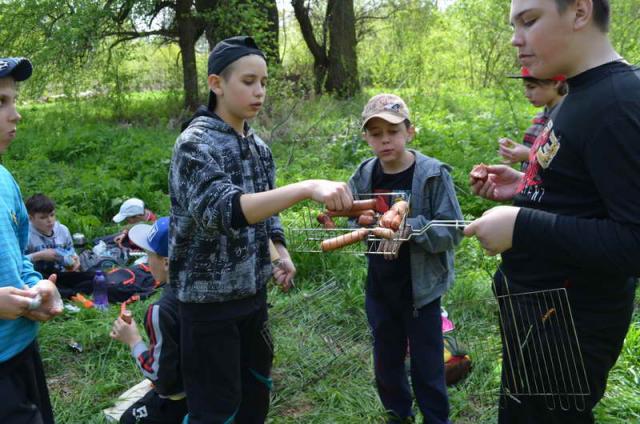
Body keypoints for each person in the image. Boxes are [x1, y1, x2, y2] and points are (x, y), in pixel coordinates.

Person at [464, 0, 640, 422]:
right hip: (539, 315)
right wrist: (524, 186)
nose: (515, 38)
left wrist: (522, 225)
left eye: (529, 20)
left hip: (568, 330)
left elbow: (634, 241)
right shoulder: (581, 91)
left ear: (580, 11)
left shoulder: (619, 101)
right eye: (514, 24)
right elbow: (583, 194)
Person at [169, 35, 353, 423]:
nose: (259, 91)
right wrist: (306, 188)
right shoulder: (194, 145)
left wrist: (279, 252)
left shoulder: (259, 147)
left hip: (253, 298)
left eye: (265, 82)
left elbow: (266, 214)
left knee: (255, 394)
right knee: (216, 408)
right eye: (248, 81)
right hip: (207, 307)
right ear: (217, 83)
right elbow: (225, 210)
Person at [348, 94, 463, 424]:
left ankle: (436, 419)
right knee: (386, 362)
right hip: (380, 288)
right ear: (366, 138)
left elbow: (453, 231)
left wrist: (409, 229)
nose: (385, 140)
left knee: (428, 366)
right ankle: (399, 415)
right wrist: (357, 221)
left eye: (393, 131)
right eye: (375, 133)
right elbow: (349, 217)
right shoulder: (364, 174)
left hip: (421, 292)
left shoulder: (431, 174)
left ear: (410, 132)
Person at [0, 56, 63, 424]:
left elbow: (19, 255)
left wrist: (37, 286)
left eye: (12, 99)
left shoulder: (5, 179)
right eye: (0, 103)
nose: (16, 114)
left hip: (23, 348)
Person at [110, 217, 187, 424]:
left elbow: (161, 379)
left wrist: (133, 340)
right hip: (217, 392)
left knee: (127, 419)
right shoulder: (212, 294)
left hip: (182, 403)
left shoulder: (160, 311)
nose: (146, 261)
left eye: (149, 254)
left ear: (166, 262)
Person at [498, 67, 567, 170]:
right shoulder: (539, 118)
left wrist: (528, 155)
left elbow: (568, 165)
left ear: (556, 83)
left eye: (531, 87)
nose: (526, 94)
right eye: (525, 87)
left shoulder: (567, 119)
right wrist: (514, 152)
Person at [25, 193, 80, 276]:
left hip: (63, 274)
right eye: (43, 217)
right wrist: (39, 256)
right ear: (31, 218)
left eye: (52, 215)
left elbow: (71, 250)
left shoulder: (63, 230)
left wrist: (75, 259)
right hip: (37, 279)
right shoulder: (25, 235)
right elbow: (18, 262)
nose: (49, 220)